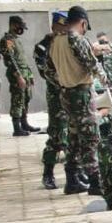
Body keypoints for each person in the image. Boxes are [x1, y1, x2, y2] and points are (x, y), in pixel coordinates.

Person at [47, 5, 108, 195]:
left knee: (73, 136)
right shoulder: (76, 38)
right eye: (85, 27)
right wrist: (102, 75)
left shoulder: (55, 41)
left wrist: (65, 79)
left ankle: (72, 179)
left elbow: (49, 71)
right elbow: (89, 63)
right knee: (90, 136)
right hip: (81, 93)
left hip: (65, 93)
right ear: (83, 22)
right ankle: (95, 182)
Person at [34, 11, 75, 191]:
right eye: (62, 27)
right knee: (56, 135)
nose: (65, 30)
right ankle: (48, 173)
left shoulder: (71, 42)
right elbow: (46, 72)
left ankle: (72, 175)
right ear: (54, 27)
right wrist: (68, 79)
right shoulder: (43, 46)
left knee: (74, 136)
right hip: (57, 96)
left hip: (73, 95)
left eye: (67, 27)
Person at [0, 15, 39, 136]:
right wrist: (18, 76)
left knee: (25, 98)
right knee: (17, 99)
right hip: (17, 74)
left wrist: (30, 75)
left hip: (24, 73)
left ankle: (24, 123)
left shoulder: (16, 39)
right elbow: (10, 59)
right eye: (19, 26)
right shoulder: (8, 40)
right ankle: (17, 128)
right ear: (13, 25)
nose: (21, 29)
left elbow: (22, 59)